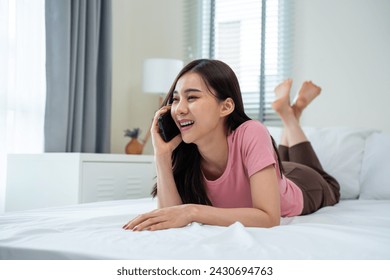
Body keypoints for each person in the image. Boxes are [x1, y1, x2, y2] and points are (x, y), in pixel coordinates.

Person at [123, 59, 340, 231]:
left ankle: (291, 117)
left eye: (192, 98)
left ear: (226, 107)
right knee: (280, 165)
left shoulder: (252, 132)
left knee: (331, 185)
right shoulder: (186, 153)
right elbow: (170, 216)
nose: (179, 109)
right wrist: (161, 155)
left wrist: (192, 211)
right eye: (176, 99)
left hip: (302, 183)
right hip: (271, 172)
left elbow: (269, 218)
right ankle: (291, 113)